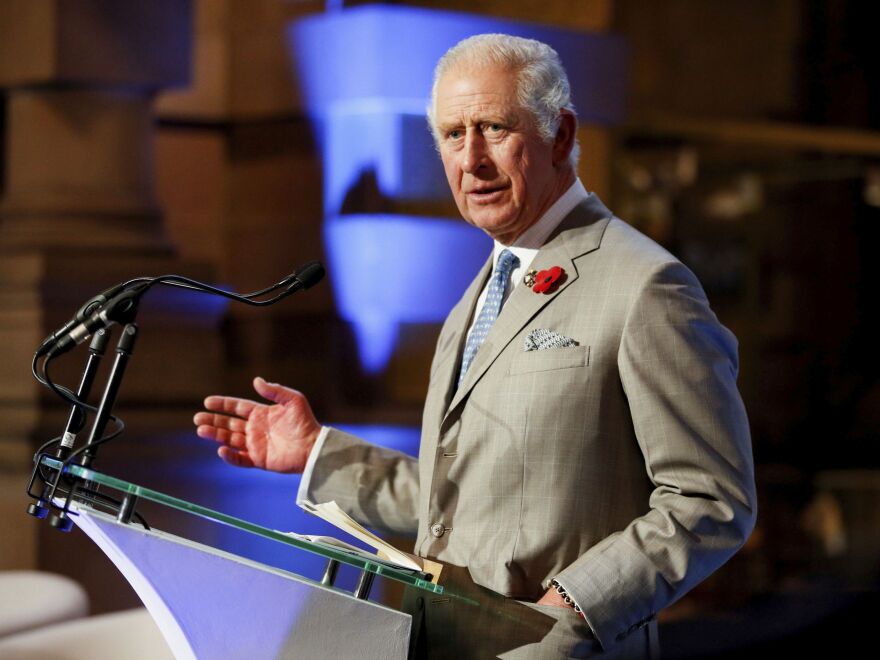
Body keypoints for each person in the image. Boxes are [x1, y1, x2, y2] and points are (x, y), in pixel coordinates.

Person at [194, 34, 757, 659]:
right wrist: (318, 453)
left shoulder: (647, 285)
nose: (472, 159)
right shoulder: (481, 293)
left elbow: (710, 500)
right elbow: (465, 505)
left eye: (493, 127)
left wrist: (568, 612)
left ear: (562, 135)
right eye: (453, 135)